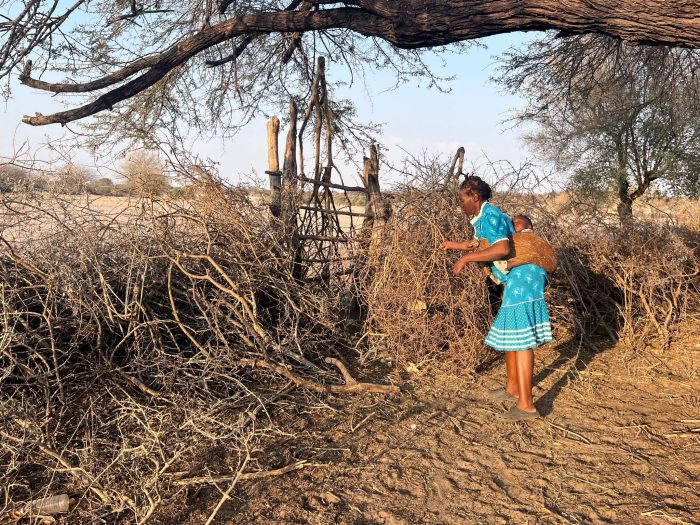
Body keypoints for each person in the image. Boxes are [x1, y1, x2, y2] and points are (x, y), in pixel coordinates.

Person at [440, 176, 553, 421]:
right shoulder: (483, 218)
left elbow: (501, 249)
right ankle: (513, 390)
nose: (462, 205)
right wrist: (455, 246)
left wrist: (465, 259)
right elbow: (480, 244)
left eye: (463, 200)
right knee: (513, 334)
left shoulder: (490, 215)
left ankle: (527, 406)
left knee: (522, 340)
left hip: (524, 276)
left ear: (475, 197)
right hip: (518, 277)